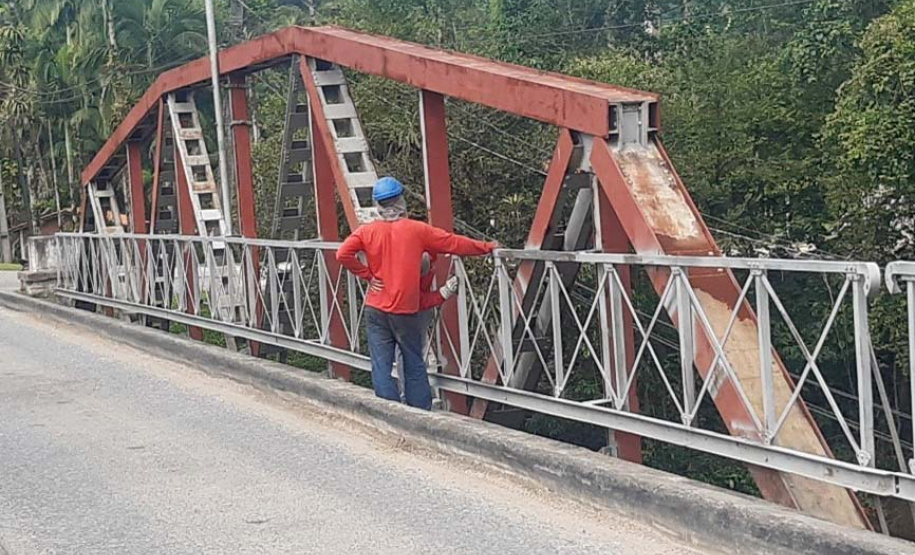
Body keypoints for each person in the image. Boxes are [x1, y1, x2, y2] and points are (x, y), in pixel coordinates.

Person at [336, 177, 497, 410]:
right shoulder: (417, 230)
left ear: (378, 205)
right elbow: (453, 243)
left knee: (381, 365)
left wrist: (368, 276)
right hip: (405, 310)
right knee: (413, 363)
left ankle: (388, 414)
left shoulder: (366, 232)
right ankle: (418, 414)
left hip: (375, 307)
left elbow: (342, 254)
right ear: (401, 201)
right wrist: (487, 247)